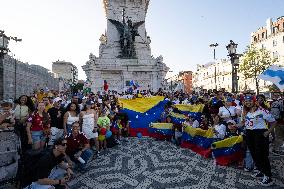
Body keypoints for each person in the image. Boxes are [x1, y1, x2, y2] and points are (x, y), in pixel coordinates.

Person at [242, 95, 277, 186]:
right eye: (246, 101)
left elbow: (274, 122)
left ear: (254, 101)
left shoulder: (262, 110)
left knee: (262, 155)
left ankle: (268, 177)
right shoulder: (247, 111)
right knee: (254, 154)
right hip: (250, 134)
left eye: (249, 101)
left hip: (260, 134)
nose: (247, 102)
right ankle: (261, 171)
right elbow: (245, 123)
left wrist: (268, 132)